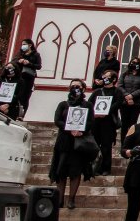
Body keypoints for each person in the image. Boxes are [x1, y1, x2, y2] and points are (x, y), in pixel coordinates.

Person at [50, 79, 95, 209]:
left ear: (83, 89)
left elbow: (91, 121)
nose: (75, 88)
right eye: (73, 86)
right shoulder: (63, 104)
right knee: (61, 171)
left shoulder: (87, 105)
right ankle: (60, 200)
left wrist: (81, 130)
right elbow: (57, 120)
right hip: (64, 141)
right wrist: (69, 128)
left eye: (78, 86)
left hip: (79, 142)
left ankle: (71, 199)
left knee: (75, 171)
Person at [89, 70, 126, 176]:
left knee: (106, 145)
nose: (105, 77)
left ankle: (106, 168)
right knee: (95, 144)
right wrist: (95, 113)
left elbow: (119, 102)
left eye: (108, 76)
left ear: (114, 79)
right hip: (96, 121)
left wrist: (106, 111)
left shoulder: (117, 91)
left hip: (108, 122)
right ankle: (95, 167)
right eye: (104, 76)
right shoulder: (97, 91)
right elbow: (90, 103)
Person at [118, 57, 140, 142]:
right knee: (124, 124)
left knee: (133, 124)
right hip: (124, 102)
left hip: (137, 103)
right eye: (132, 62)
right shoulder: (125, 74)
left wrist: (132, 96)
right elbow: (120, 86)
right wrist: (127, 96)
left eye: (136, 63)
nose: (134, 64)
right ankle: (123, 144)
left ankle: (131, 142)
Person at [13, 38, 42, 118]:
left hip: (29, 78)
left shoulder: (36, 55)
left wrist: (29, 63)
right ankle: (14, 113)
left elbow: (38, 66)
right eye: (22, 44)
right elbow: (13, 61)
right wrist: (19, 61)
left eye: (24, 44)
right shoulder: (20, 54)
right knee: (17, 95)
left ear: (30, 45)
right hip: (19, 76)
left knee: (25, 97)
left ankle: (21, 115)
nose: (23, 46)